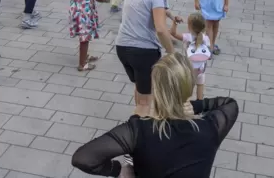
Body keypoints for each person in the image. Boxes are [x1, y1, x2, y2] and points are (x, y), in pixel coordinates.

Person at [72, 52, 238, 178]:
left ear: (156, 90)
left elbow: (83, 158)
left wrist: (119, 170)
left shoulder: (138, 130)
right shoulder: (211, 128)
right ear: (190, 86)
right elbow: (230, 104)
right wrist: (193, 106)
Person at [115, 0, 183, 117]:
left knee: (140, 89)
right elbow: (160, 29)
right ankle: (140, 134)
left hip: (122, 47)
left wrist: (171, 15)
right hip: (143, 51)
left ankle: (137, 122)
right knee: (146, 103)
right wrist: (171, 52)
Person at [169, 12, 211, 100]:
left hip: (188, 70)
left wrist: (175, 22)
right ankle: (199, 106)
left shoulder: (187, 37)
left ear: (189, 26)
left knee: (187, 89)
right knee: (200, 86)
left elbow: (172, 33)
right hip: (201, 69)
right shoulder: (206, 38)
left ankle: (186, 104)